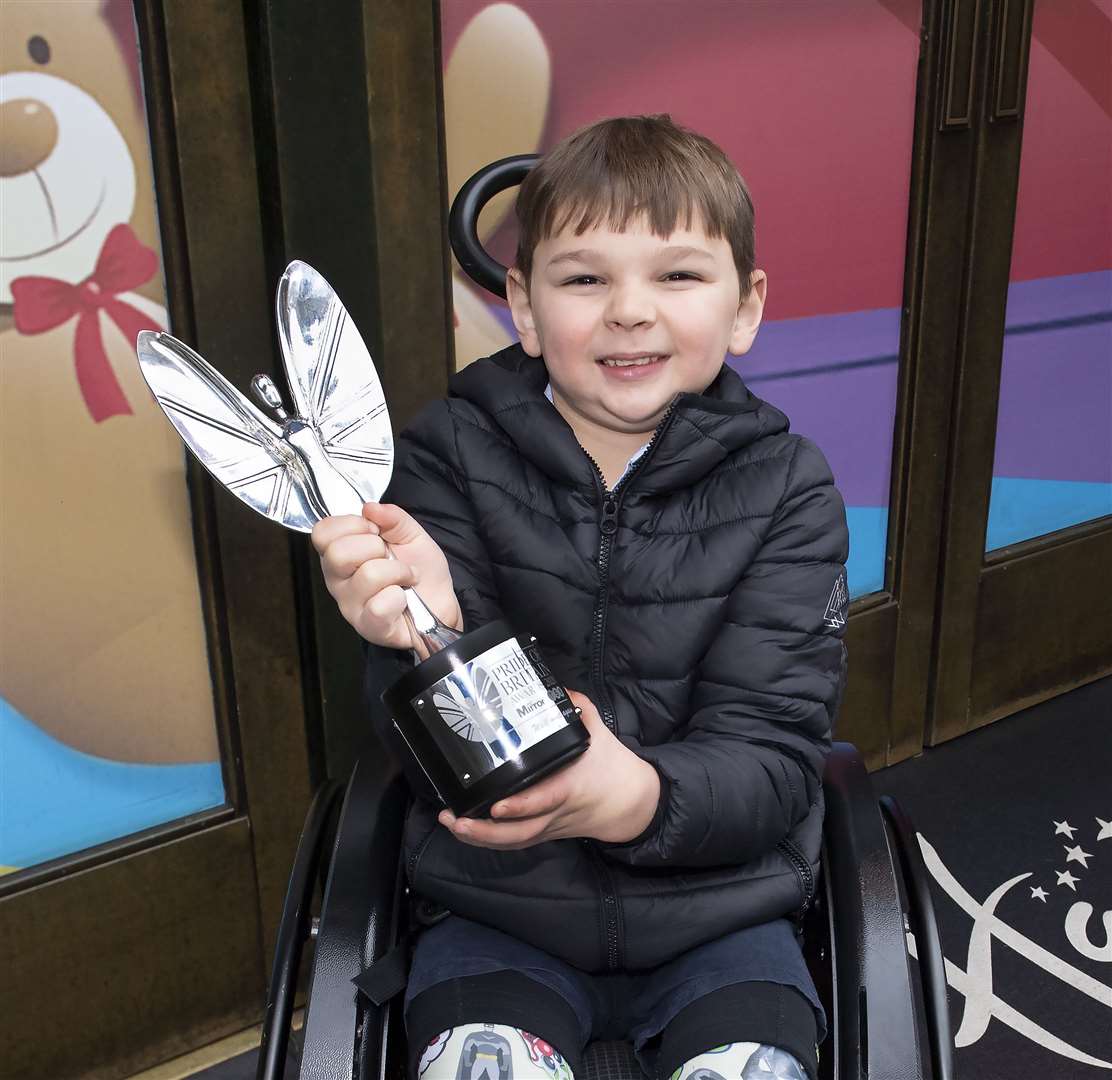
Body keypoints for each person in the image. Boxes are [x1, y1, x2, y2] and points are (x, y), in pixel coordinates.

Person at [312, 115, 849, 1080]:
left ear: (745, 307)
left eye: (678, 275)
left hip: (722, 910)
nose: (629, 312)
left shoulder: (789, 489)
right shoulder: (447, 456)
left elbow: (772, 759)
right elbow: (428, 751)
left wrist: (634, 796)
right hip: (498, 908)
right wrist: (430, 634)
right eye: (583, 277)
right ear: (522, 304)